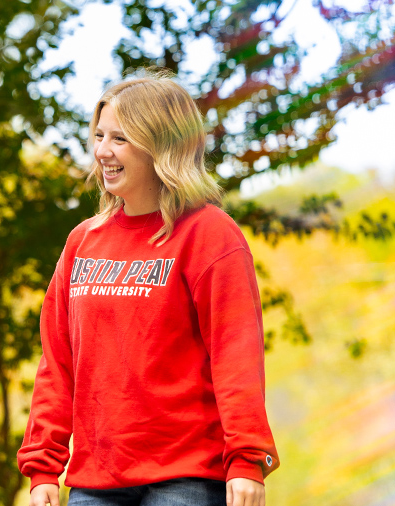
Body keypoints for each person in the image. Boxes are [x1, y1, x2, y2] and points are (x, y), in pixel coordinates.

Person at [17, 70, 279, 506]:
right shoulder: (83, 241)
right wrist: (43, 463)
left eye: (120, 139)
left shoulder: (209, 234)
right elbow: (57, 361)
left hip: (188, 477)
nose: (102, 151)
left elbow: (236, 353)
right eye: (99, 136)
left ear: (162, 145)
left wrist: (247, 457)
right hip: (97, 479)